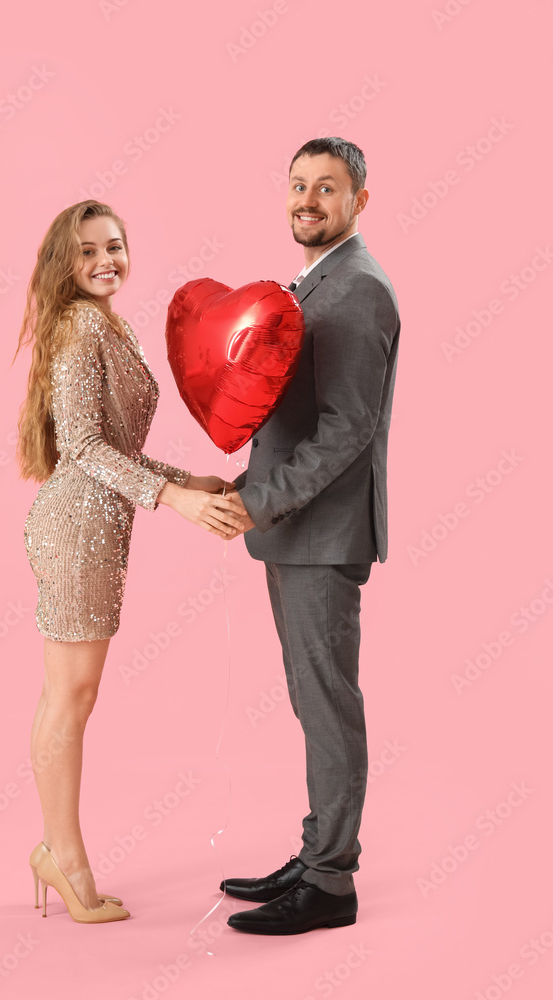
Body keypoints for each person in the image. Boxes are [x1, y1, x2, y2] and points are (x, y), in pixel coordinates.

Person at [13, 201, 246, 925]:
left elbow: (111, 443)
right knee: (69, 699)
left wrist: (186, 478)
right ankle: (63, 857)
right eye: (86, 252)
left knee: (69, 697)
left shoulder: (103, 323)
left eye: (113, 246)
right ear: (64, 262)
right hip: (76, 527)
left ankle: (58, 851)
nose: (104, 260)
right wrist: (172, 499)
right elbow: (81, 448)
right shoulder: (81, 331)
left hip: (95, 523)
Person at [223, 137, 401, 934]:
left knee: (327, 706)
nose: (306, 199)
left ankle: (331, 883)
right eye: (297, 184)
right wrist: (245, 491)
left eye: (325, 188)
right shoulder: (318, 280)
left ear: (359, 199)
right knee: (310, 699)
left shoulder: (357, 289)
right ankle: (316, 850)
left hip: (320, 533)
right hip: (296, 530)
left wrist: (264, 502)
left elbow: (346, 433)